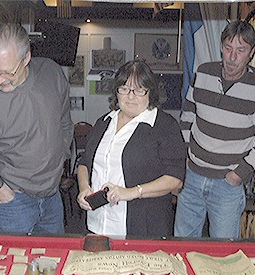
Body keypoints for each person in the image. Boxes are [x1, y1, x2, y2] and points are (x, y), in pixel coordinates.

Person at [0, 23, 72, 234]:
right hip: (12, 202)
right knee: (13, 264)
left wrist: (60, 158)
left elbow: (64, 121)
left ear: (26, 58)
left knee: (52, 263)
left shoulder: (51, 73)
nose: (0, 80)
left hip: (52, 196)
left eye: (8, 72)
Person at [174, 20, 255, 239]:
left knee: (223, 251)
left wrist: (239, 174)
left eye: (240, 50)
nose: (232, 57)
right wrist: (184, 158)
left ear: (251, 53)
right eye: (228, 48)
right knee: (183, 243)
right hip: (192, 176)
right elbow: (187, 119)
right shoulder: (203, 73)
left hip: (227, 184)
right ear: (221, 46)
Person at [76, 61, 186, 237]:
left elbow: (175, 179)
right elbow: (84, 163)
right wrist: (84, 188)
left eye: (139, 90)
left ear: (151, 92)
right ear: (116, 92)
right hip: (97, 224)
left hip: (142, 227)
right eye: (124, 89)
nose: (131, 96)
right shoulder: (103, 123)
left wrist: (131, 192)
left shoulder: (164, 126)